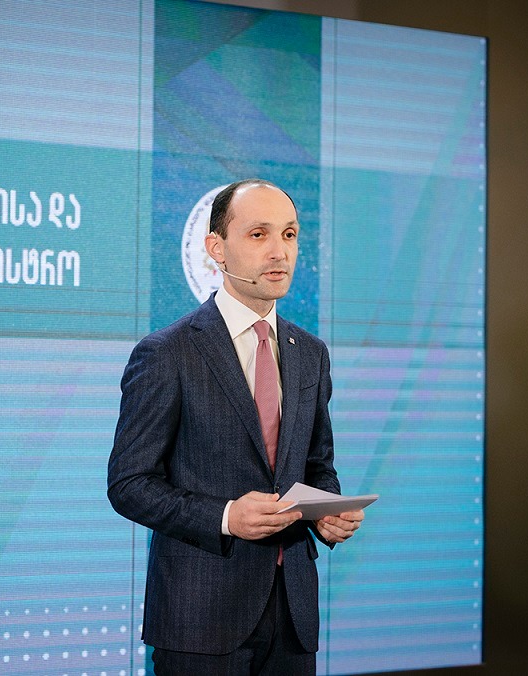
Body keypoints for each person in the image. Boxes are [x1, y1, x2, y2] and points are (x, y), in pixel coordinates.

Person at [107, 179, 364, 674]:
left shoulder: (311, 354)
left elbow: (318, 466)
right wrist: (226, 516)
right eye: (258, 234)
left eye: (289, 235)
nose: (279, 251)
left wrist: (327, 513)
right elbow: (129, 485)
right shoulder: (168, 353)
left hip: (293, 617)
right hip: (200, 619)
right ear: (216, 248)